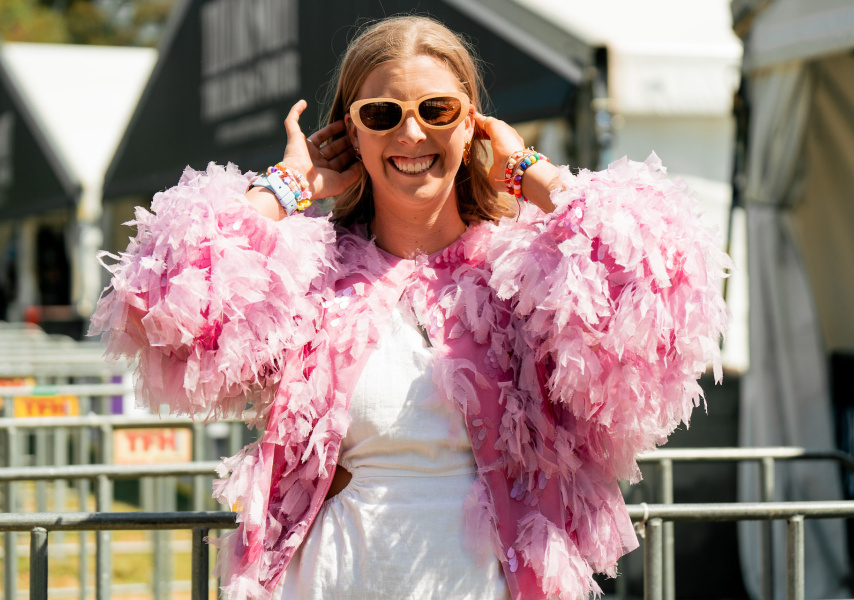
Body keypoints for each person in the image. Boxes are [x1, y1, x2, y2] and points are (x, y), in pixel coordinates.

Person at [90, 15, 730, 600]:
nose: (412, 131)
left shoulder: (524, 275)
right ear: (350, 132)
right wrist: (286, 188)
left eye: (437, 108)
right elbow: (152, 304)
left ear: (470, 122)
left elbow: (663, 291)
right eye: (382, 114)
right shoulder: (308, 272)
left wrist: (529, 171)